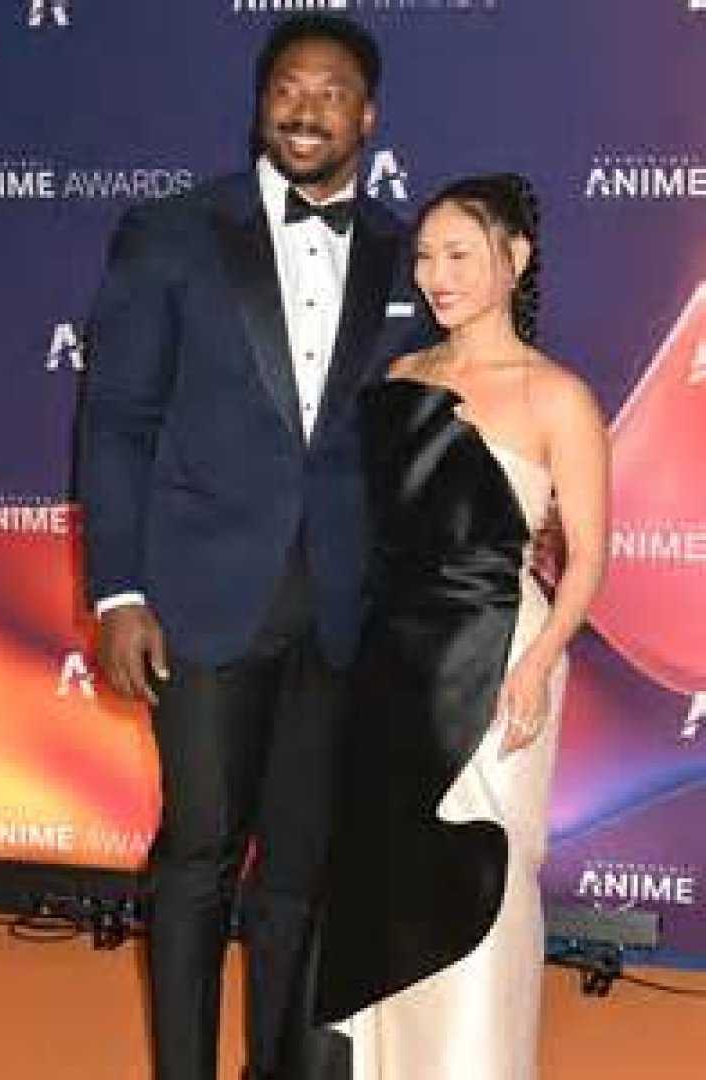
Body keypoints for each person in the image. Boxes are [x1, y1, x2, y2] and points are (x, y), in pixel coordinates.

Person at [78, 15, 435, 1080]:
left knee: (300, 875)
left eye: (331, 93)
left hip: (341, 614)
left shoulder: (403, 250)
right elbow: (116, 422)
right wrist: (119, 593)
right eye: (286, 88)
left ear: (368, 116)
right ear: (260, 104)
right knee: (197, 858)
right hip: (198, 601)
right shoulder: (174, 231)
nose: (305, 110)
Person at [316, 174, 610, 1079]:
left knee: (486, 872)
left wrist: (541, 661)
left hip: (502, 650)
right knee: (391, 869)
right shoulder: (403, 379)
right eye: (424, 256)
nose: (435, 275)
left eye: (458, 254)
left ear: (514, 258)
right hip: (397, 654)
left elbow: (588, 558)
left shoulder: (558, 396)